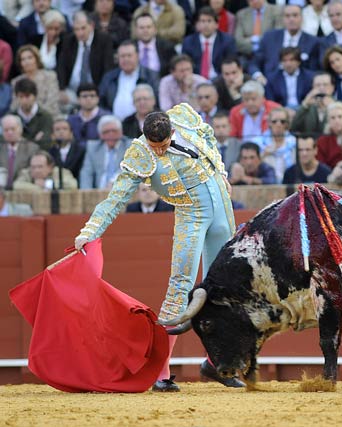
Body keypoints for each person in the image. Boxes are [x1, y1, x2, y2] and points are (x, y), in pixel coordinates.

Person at [74, 104, 241, 392]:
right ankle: (160, 372)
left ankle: (218, 363)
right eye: (155, 147)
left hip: (222, 210)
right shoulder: (140, 153)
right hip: (192, 213)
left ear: (172, 130)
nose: (160, 151)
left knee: (225, 286)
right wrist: (90, 231)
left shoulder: (186, 118)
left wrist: (221, 171)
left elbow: (210, 140)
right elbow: (116, 198)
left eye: (163, 145)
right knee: (179, 288)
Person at [57, 10, 114, 108]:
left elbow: (108, 69)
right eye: (76, 29)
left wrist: (99, 93)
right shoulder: (68, 41)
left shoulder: (104, 40)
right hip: (72, 91)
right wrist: (62, 89)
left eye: (83, 28)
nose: (80, 33)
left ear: (91, 26)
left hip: (95, 91)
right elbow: (61, 66)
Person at [249, 4, 321, 79]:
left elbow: (314, 70)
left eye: (295, 15)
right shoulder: (269, 37)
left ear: (302, 18)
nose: (291, 19)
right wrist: (258, 76)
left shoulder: (313, 42)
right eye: (287, 16)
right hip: (269, 83)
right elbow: (254, 63)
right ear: (282, 19)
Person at [98, 40, 160, 121]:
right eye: (122, 56)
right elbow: (101, 102)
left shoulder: (151, 76)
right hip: (114, 125)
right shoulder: (109, 77)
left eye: (129, 55)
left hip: (143, 124)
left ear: (137, 56)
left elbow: (157, 102)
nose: (126, 59)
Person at [182, 6, 237, 81]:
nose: (206, 25)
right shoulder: (188, 42)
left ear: (216, 24)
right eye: (203, 21)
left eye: (209, 21)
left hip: (220, 80)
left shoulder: (227, 41)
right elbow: (185, 65)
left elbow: (230, 65)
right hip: (195, 80)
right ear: (197, 24)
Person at [79, 115, 130, 189]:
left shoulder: (130, 146)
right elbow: (86, 173)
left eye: (114, 131)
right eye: (106, 132)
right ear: (100, 135)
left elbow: (128, 168)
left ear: (121, 132)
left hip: (123, 191)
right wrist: (86, 194)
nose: (111, 134)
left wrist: (114, 181)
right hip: (99, 192)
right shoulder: (93, 148)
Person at [11, 44, 60, 115]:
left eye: (30, 58)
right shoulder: (16, 81)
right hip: (23, 118)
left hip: (47, 116)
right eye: (23, 59)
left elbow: (52, 102)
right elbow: (14, 105)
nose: (26, 62)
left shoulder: (50, 76)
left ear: (36, 59)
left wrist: (35, 114)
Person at [264, 47, 315, 111]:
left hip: (304, 110)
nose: (288, 64)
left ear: (298, 62)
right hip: (281, 111)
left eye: (291, 60)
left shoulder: (309, 77)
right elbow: (270, 101)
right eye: (284, 60)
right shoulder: (272, 78)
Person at [256, 107, 297, 183]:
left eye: (282, 121)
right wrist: (263, 154)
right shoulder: (259, 142)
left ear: (287, 124)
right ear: (269, 123)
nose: (278, 124)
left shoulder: (294, 142)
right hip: (267, 185)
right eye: (274, 121)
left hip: (290, 182)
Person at [11, 77, 53, 149]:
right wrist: (35, 140)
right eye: (21, 97)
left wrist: (20, 140)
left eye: (27, 96)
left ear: (34, 96)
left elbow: (45, 144)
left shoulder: (46, 117)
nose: (24, 100)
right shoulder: (11, 117)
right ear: (16, 97)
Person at [0, 114, 40, 189]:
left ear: (20, 129)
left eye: (13, 129)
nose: (10, 133)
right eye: (6, 130)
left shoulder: (32, 148)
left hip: (22, 190)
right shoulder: (1, 148)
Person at [290, 71, 336, 136]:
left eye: (325, 85)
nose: (321, 88)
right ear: (312, 87)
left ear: (332, 87)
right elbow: (293, 127)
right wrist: (305, 104)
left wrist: (333, 106)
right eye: (318, 85)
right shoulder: (306, 107)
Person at [132, 13, 177, 77]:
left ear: (155, 29)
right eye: (141, 28)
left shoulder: (167, 47)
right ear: (136, 30)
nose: (145, 30)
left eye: (148, 27)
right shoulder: (129, 47)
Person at [316, 100, 342, 168]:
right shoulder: (322, 141)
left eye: (340, 117)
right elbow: (320, 165)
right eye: (333, 118)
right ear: (328, 122)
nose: (337, 121)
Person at [67, 83, 110, 147]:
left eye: (92, 96)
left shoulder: (107, 118)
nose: (88, 99)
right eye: (84, 96)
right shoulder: (71, 120)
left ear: (98, 98)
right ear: (78, 99)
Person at [13, 149, 77, 191]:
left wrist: (47, 184)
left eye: (40, 167)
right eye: (33, 167)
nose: (36, 170)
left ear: (50, 167)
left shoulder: (60, 172)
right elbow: (16, 185)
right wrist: (38, 188)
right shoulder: (26, 173)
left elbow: (73, 185)